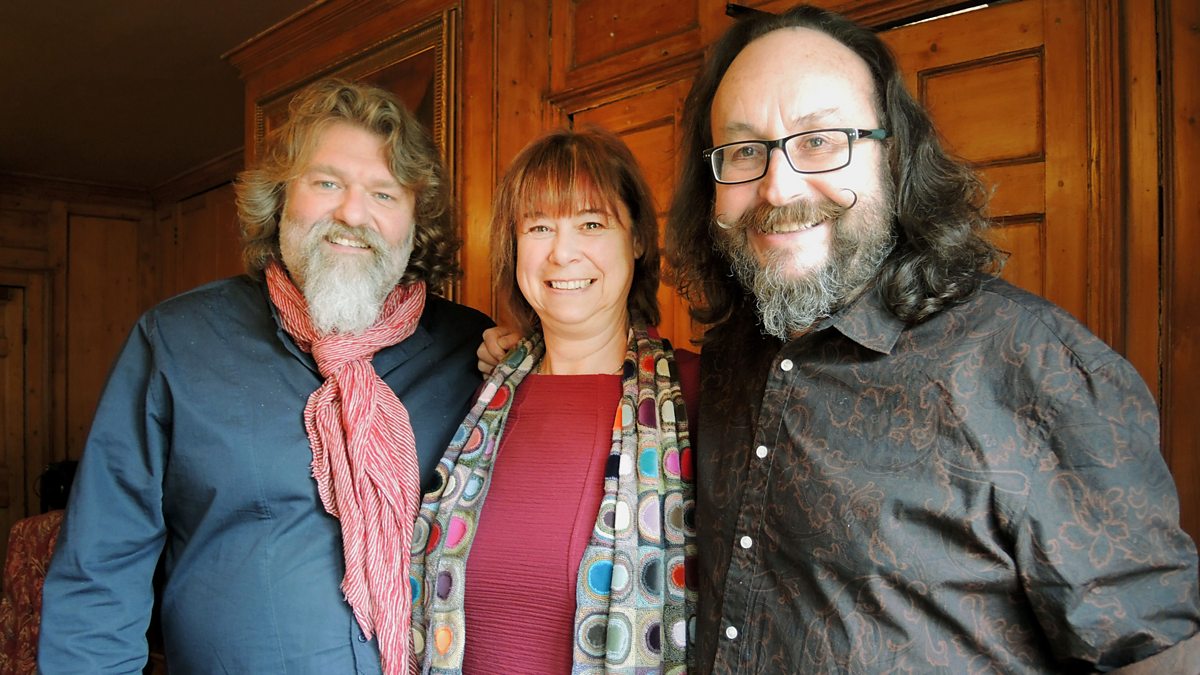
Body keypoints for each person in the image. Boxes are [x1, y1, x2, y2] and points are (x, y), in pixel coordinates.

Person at [658, 4, 1200, 673]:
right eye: (745, 150)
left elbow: (1153, 654)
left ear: (894, 155)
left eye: (821, 139)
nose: (778, 186)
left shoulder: (1030, 364)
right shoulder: (730, 356)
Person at [38, 78, 493, 675]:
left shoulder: (474, 353)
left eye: (384, 193)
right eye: (326, 183)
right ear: (279, 199)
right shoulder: (175, 342)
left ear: (415, 219)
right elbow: (99, 574)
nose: (352, 214)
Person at [411, 128, 699, 674]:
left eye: (591, 224)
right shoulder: (476, 400)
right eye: (539, 227)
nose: (562, 253)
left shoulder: (696, 397)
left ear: (637, 239)